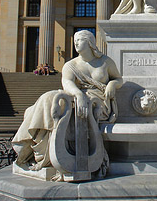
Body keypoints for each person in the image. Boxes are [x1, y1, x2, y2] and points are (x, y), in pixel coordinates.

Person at [12, 30, 123, 174]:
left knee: (64, 106)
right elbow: (67, 82)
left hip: (98, 102)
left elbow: (118, 79)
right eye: (75, 40)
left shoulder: (105, 61)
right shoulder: (70, 65)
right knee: (49, 98)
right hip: (76, 96)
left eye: (79, 40)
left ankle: (42, 152)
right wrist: (78, 94)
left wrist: (112, 85)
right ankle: (32, 146)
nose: (75, 43)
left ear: (90, 42)